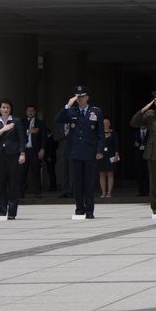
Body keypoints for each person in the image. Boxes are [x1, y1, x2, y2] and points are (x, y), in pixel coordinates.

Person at [55, 86, 105, 219]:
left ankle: (89, 210)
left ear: (87, 97)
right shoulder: (71, 112)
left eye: (82, 96)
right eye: (78, 96)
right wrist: (67, 105)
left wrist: (100, 151)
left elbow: (100, 134)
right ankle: (79, 209)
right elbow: (58, 119)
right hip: (75, 152)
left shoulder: (96, 112)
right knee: (77, 182)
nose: (80, 99)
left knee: (88, 182)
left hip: (90, 152)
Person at [0, 99, 26, 219]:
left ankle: (12, 213)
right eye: (3, 107)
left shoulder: (16, 121)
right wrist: (3, 129)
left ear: (10, 109)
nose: (5, 110)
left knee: (13, 184)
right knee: (0, 184)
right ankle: (2, 213)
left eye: (7, 108)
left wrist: (22, 153)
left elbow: (21, 138)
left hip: (13, 155)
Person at [19, 104, 46, 198]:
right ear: (26, 112)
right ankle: (21, 192)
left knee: (36, 172)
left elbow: (44, 138)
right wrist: (28, 131)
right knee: (22, 172)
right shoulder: (21, 122)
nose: (30, 112)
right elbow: (17, 134)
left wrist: (42, 149)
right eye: (28, 111)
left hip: (35, 151)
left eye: (32, 111)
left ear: (35, 112)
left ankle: (38, 192)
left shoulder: (40, 123)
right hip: (24, 151)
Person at [96, 117, 119, 198]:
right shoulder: (98, 133)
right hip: (101, 155)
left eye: (107, 123)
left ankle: (109, 192)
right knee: (102, 174)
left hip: (110, 155)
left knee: (110, 173)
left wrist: (116, 155)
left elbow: (116, 145)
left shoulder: (114, 133)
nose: (106, 125)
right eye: (104, 123)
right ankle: (103, 192)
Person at [133, 124, 150, 196]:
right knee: (140, 175)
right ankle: (141, 191)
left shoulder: (150, 132)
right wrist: (135, 145)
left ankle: (148, 191)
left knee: (148, 174)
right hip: (138, 156)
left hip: (147, 155)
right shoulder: (135, 133)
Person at [43, 127, 58, 193]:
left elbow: (51, 149)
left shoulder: (51, 139)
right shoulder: (52, 139)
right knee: (51, 172)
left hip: (50, 158)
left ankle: (53, 186)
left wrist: (49, 156)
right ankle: (52, 186)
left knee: (51, 172)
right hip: (51, 158)